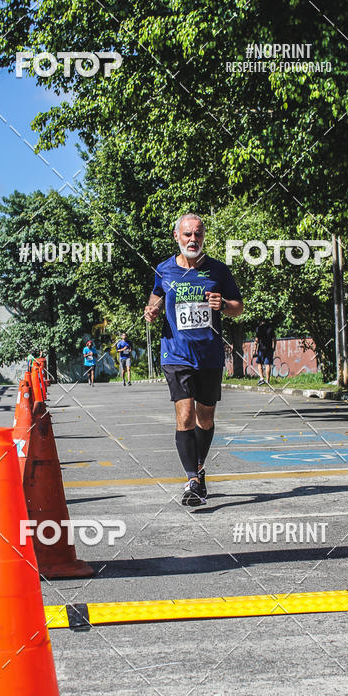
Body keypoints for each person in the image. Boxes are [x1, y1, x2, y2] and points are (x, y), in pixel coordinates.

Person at [144, 212, 243, 506]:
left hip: (209, 354)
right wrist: (152, 310)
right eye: (187, 234)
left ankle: (198, 469)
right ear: (177, 236)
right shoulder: (164, 270)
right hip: (176, 353)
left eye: (198, 234)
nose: (193, 239)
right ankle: (192, 480)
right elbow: (156, 298)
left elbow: (238, 307)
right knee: (185, 415)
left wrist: (223, 304)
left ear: (203, 237)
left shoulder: (218, 271)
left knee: (206, 417)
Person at [253, 320, 277, 385]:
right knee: (268, 364)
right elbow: (274, 339)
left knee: (259, 363)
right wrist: (274, 347)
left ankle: (261, 378)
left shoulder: (259, 328)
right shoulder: (270, 328)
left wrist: (254, 350)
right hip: (269, 349)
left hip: (261, 349)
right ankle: (268, 381)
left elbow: (256, 341)